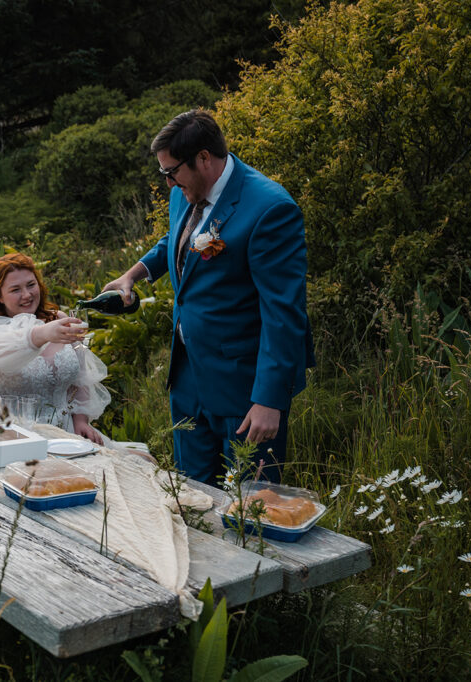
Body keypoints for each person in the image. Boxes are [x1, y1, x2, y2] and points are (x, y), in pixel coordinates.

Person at [104, 109, 314, 485]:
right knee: (193, 498)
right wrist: (135, 273)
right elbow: (178, 237)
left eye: (172, 172)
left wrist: (270, 399)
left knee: (249, 510)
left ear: (204, 158)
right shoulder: (187, 190)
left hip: (244, 389)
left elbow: (284, 313)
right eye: (163, 173)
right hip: (187, 379)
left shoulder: (270, 209)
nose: (168, 183)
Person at [0, 253, 110, 445]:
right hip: (11, 436)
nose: (27, 295)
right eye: (15, 289)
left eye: (31, 285)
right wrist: (43, 334)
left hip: (67, 433)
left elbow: (81, 377)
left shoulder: (58, 319)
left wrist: (80, 421)